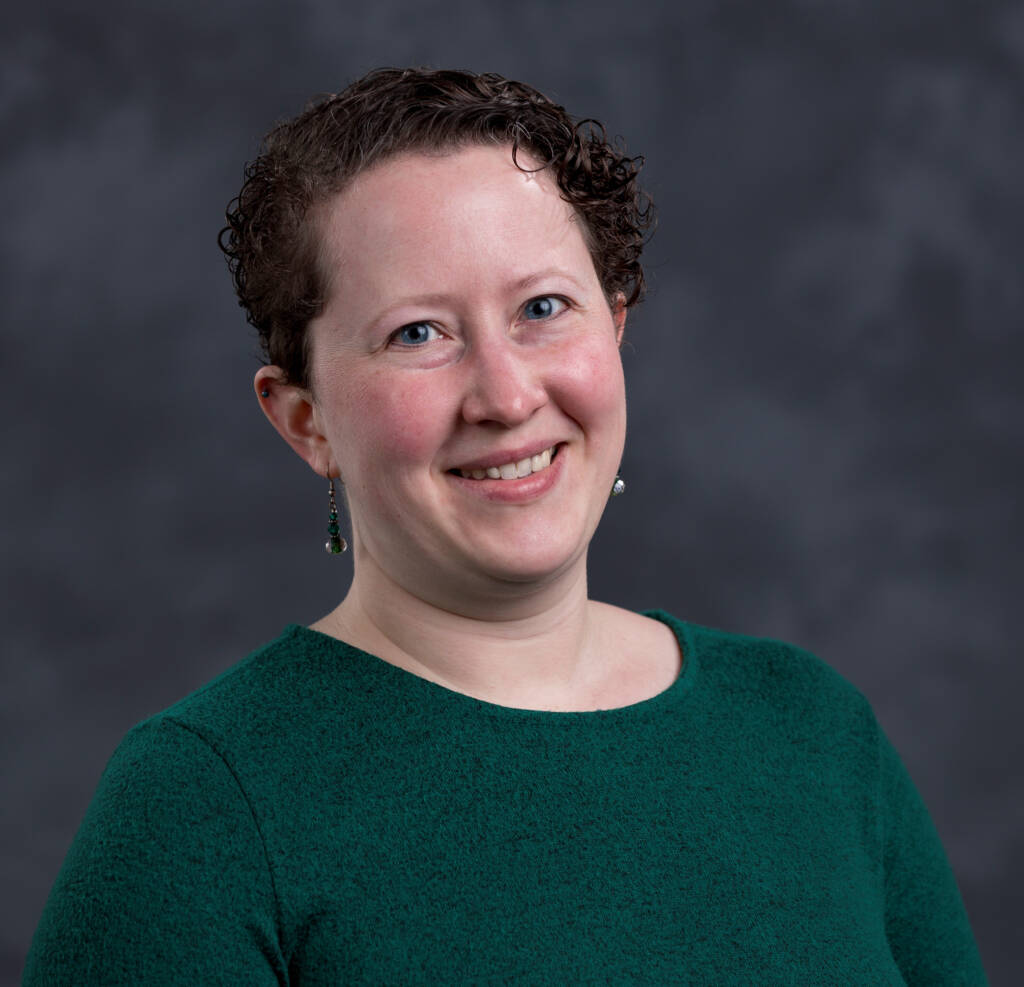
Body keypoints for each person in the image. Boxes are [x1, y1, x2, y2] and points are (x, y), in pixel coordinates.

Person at [24, 67, 987, 985]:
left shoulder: (811, 732)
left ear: (614, 330)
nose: (506, 393)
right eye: (418, 333)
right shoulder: (198, 810)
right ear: (304, 419)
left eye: (541, 308)